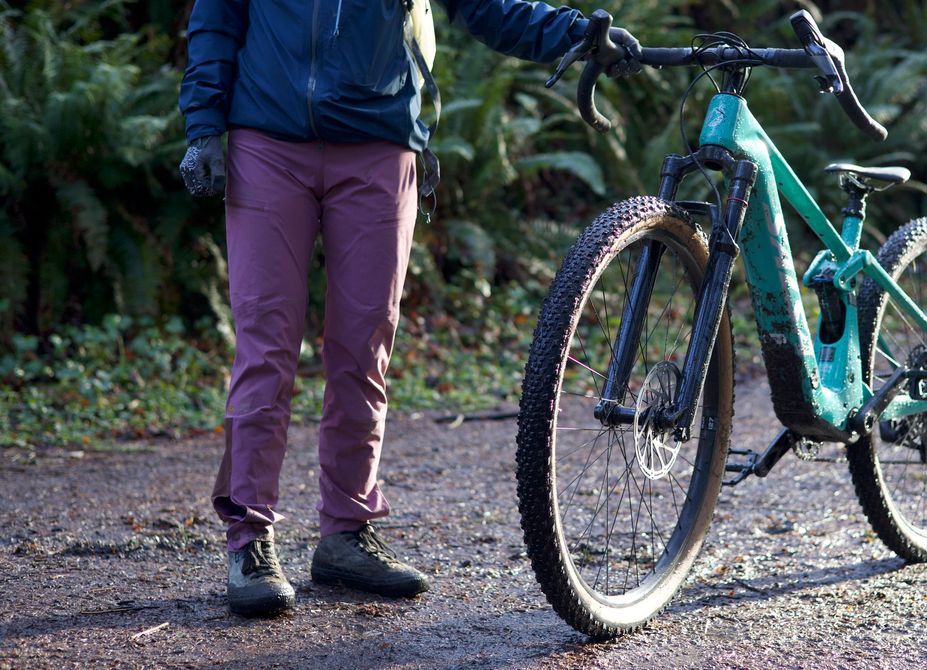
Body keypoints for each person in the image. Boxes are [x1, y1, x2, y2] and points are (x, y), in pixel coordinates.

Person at [178, 0, 639, 617]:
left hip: (378, 145)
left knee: (362, 348)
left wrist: (578, 34)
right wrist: (204, 124)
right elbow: (218, 16)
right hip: (266, 142)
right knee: (266, 348)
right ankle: (249, 540)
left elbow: (487, 7)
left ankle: (345, 531)